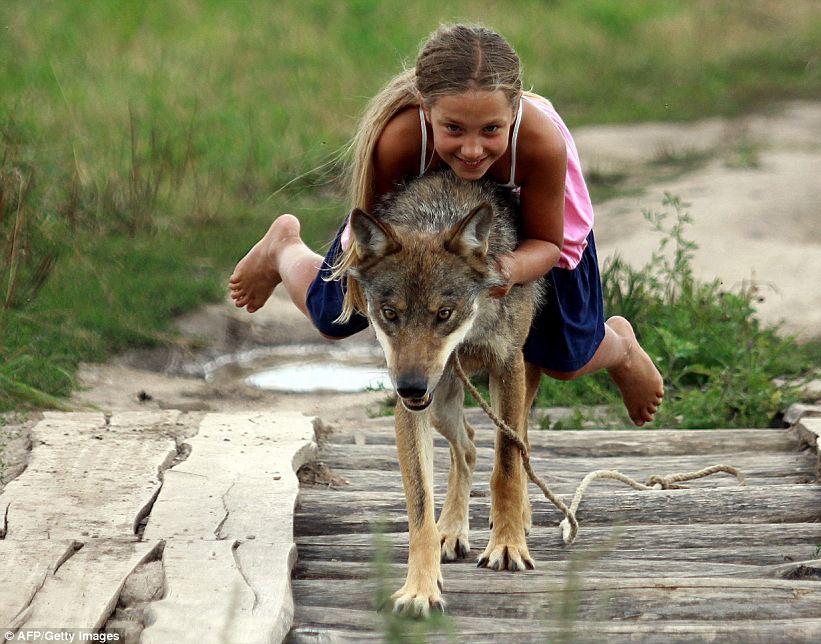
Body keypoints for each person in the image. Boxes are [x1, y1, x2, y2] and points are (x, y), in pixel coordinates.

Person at [229, 23, 664, 425]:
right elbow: (377, 232)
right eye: (453, 128)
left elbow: (548, 242)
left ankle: (621, 346)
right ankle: (283, 247)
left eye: (491, 129)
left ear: (515, 108)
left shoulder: (540, 142)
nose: (473, 149)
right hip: (423, 225)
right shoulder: (400, 138)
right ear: (426, 108)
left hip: (535, 231)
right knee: (333, 318)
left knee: (564, 357)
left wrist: (506, 269)